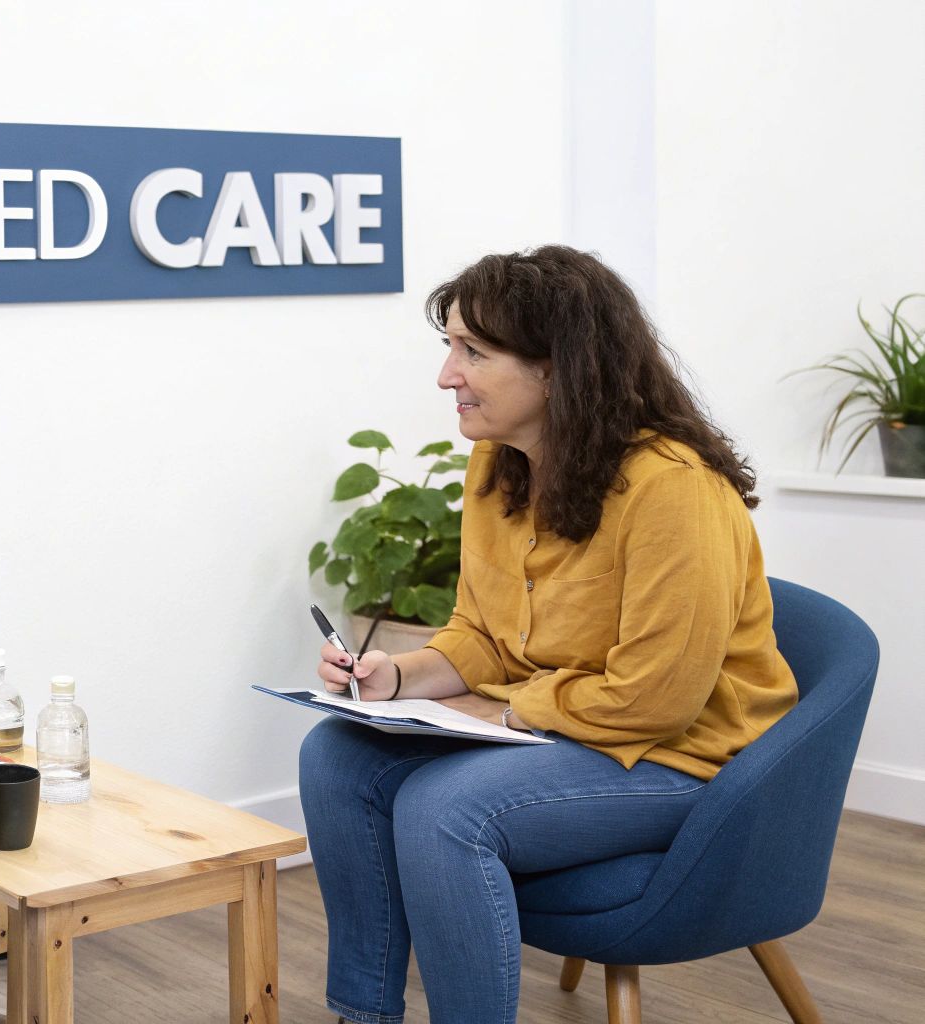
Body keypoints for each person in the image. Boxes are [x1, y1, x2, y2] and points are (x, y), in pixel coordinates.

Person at [298, 246, 798, 1024]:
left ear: (559, 368)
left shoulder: (674, 489)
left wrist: (501, 711)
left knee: (445, 809)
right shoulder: (497, 466)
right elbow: (484, 635)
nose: (447, 376)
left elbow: (657, 700)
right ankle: (364, 1016)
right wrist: (394, 677)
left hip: (687, 760)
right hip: (567, 734)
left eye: (474, 352)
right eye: (450, 347)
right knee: (335, 755)